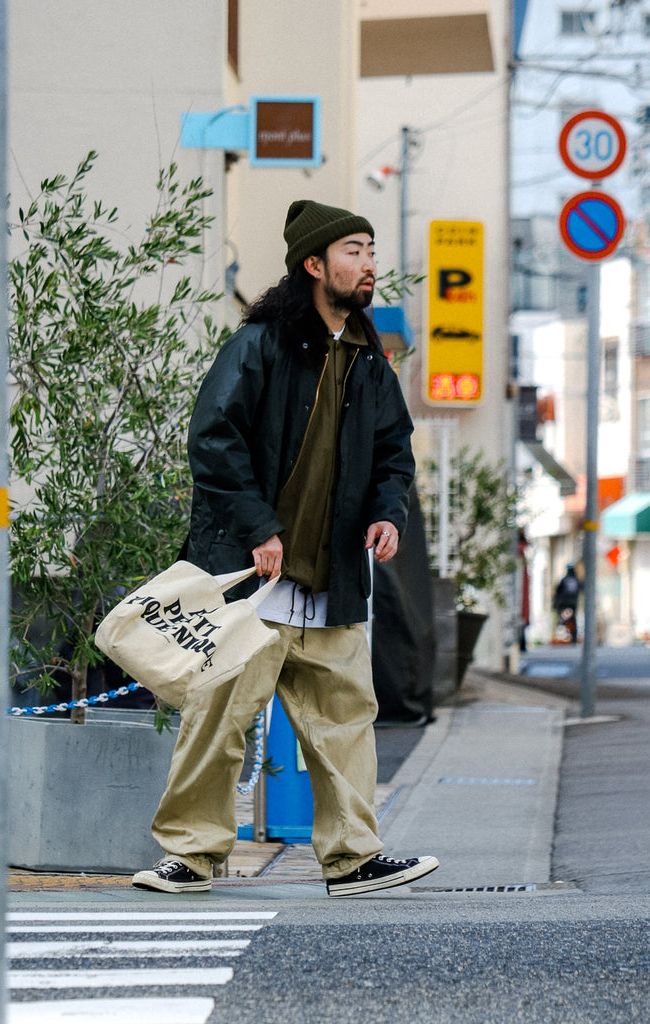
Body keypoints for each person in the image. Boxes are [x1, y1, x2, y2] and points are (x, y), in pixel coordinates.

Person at [132, 199, 439, 897]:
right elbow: (212, 439)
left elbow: (395, 451)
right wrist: (257, 528)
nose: (368, 264)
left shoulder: (366, 357)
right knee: (218, 719)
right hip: (254, 580)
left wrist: (388, 512)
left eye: (369, 250)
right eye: (353, 251)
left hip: (330, 579)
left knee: (344, 724)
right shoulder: (259, 345)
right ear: (313, 263)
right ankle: (190, 856)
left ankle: (353, 857)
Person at [554, 563, 582, 643]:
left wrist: (556, 604)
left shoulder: (565, 580)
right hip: (572, 604)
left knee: (564, 620)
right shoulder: (575, 580)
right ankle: (570, 637)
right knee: (571, 620)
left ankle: (566, 637)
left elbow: (558, 592)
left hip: (564, 604)